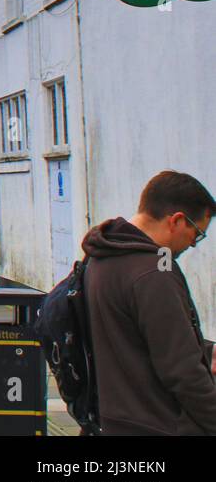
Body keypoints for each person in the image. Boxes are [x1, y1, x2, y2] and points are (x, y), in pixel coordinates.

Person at [82, 170, 216, 435]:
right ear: (177, 220)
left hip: (114, 421)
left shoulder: (99, 257)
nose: (192, 245)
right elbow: (182, 371)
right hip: (160, 423)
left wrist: (206, 351)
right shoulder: (155, 272)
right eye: (197, 234)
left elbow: (132, 335)